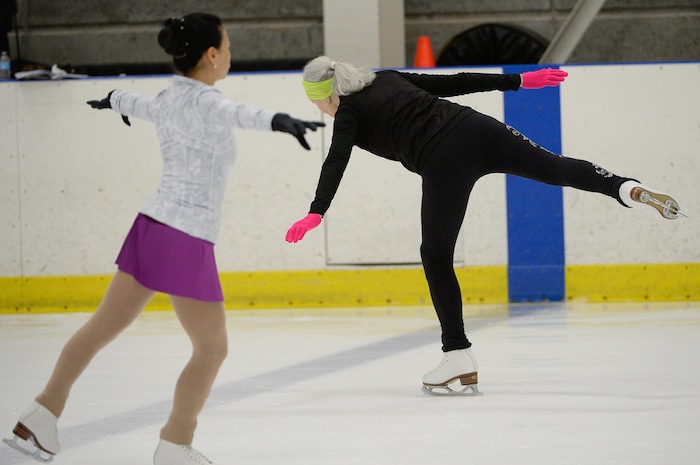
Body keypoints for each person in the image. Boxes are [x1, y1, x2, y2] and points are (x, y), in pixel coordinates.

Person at [4, 12, 323, 465]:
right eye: (227, 47)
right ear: (211, 56)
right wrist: (280, 121)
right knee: (212, 348)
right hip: (185, 236)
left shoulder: (169, 98)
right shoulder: (208, 103)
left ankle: (39, 415)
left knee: (101, 327)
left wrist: (112, 98)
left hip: (151, 226)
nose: (231, 54)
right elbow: (239, 113)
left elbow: (136, 102)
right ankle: (175, 444)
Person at [285, 55, 684, 396]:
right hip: (477, 127)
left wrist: (316, 211)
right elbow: (457, 83)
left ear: (326, 96)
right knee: (555, 167)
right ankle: (625, 187)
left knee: (435, 255)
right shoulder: (388, 77)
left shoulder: (348, 113)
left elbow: (335, 160)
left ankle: (457, 354)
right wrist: (520, 81)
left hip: (443, 160)